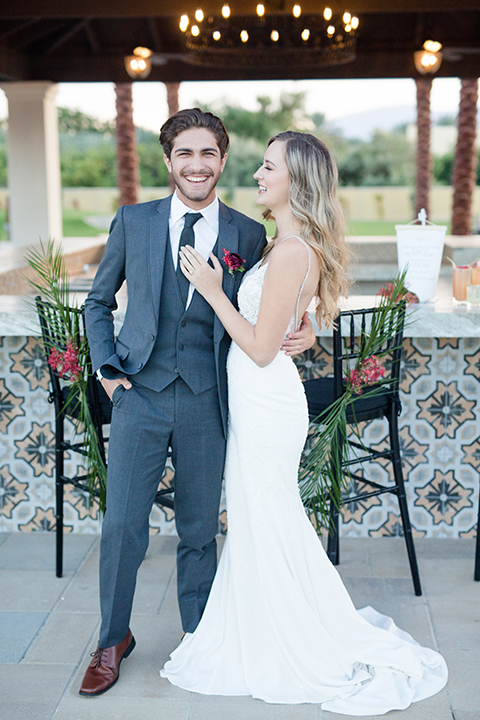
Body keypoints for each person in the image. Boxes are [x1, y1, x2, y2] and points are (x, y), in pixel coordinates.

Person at [160, 131, 448, 713]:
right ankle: (263, 626)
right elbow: (293, 321)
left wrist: (214, 291)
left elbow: (263, 349)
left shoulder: (292, 252)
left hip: (265, 399)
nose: (259, 175)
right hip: (259, 399)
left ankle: (285, 637)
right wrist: (307, 323)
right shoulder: (282, 245)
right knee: (258, 516)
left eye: (270, 167)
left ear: (297, 181)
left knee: (264, 516)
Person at [79, 109, 315, 697]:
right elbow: (97, 302)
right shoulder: (134, 221)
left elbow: (279, 297)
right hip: (139, 394)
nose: (197, 165)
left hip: (211, 398)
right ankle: (112, 638)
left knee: (198, 529)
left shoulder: (245, 233)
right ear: (168, 161)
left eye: (207, 153)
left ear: (221, 159)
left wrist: (307, 323)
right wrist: (108, 373)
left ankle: (199, 637)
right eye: (185, 154)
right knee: (122, 525)